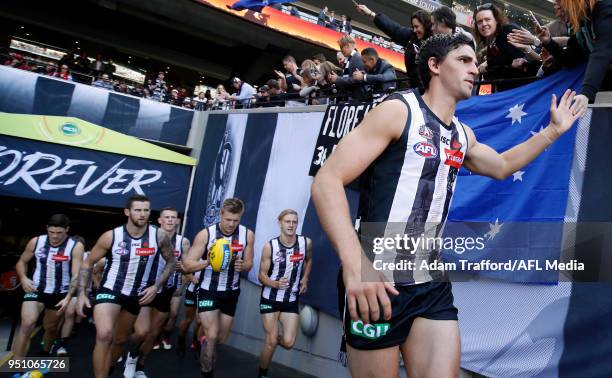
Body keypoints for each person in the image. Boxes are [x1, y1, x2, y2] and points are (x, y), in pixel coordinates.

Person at [311, 33, 585, 378]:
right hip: (377, 277)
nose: (475, 69)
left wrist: (551, 132)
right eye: (464, 60)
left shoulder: (462, 133)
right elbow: (327, 181)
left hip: (430, 282)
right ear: (435, 66)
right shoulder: (398, 111)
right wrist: (354, 265)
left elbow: (500, 166)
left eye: (475, 61)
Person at [76, 195, 176, 378]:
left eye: (146, 210)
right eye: (138, 210)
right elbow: (88, 263)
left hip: (136, 296)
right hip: (110, 291)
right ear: (127, 212)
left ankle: (109, 369)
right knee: (105, 334)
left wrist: (156, 286)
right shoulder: (111, 236)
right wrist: (81, 293)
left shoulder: (159, 236)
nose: (143, 214)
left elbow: (171, 262)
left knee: (120, 340)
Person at [183, 198, 255, 378]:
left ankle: (201, 342)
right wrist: (210, 260)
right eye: (228, 219)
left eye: (235, 220)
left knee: (220, 339)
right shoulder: (206, 235)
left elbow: (249, 262)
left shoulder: (247, 235)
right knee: (213, 335)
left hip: (231, 291)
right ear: (221, 214)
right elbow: (187, 265)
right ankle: (207, 373)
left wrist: (243, 266)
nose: (231, 224)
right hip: (208, 289)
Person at [128, 207, 192, 377]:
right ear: (160, 220)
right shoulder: (148, 237)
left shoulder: (183, 242)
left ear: (178, 221)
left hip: (167, 289)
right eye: (167, 217)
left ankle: (140, 366)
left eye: (174, 217)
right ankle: (130, 354)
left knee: (154, 332)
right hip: (146, 288)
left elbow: (187, 266)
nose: (171, 220)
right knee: (141, 331)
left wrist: (184, 268)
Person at [13, 214, 85, 357]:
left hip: (59, 293)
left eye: (59, 233)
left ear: (67, 230)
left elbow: (77, 274)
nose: (55, 236)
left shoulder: (75, 246)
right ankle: (17, 366)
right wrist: (23, 278)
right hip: (36, 288)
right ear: (47, 229)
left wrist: (69, 297)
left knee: (51, 328)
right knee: (27, 325)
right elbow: (21, 262)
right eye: (51, 232)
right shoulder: (36, 241)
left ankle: (45, 353)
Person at [257, 210, 312, 378]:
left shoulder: (305, 243)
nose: (291, 225)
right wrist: (274, 283)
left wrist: (305, 278)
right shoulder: (270, 246)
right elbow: (261, 275)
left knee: (288, 343)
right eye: (287, 221)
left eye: (294, 222)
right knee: (271, 341)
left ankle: (272, 340)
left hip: (290, 300)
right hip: (270, 299)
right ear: (279, 222)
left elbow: (309, 259)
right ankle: (262, 374)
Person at [533, 0, 612, 112]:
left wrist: (586, 92)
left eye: (560, 8)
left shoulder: (606, 10)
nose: (558, 14)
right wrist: (549, 42)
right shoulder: (584, 28)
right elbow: (570, 60)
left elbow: (603, 51)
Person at [356, 3, 432, 89]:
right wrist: (370, 13)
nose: (414, 30)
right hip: (414, 87)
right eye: (413, 27)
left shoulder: (434, 42)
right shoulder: (412, 36)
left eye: (417, 26)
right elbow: (394, 29)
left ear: (425, 25)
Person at [472, 3, 534, 91]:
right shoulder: (491, 41)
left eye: (487, 19)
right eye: (479, 22)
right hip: (504, 93)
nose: (484, 24)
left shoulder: (509, 31)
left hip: (522, 91)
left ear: (496, 20)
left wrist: (489, 64)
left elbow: (528, 60)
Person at [328, 34, 366, 101]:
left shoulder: (357, 58)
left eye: (341, 47)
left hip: (355, 100)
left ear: (348, 46)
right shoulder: (349, 59)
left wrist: (338, 79)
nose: (341, 50)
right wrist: (337, 80)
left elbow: (356, 80)